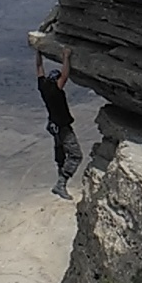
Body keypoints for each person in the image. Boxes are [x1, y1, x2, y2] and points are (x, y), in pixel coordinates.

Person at [35, 45, 82, 200]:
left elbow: (39, 67)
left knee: (60, 155)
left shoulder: (43, 87)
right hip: (63, 128)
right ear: (57, 81)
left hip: (53, 126)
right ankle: (61, 184)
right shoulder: (56, 90)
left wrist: (38, 53)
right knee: (75, 155)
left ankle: (60, 184)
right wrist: (66, 57)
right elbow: (65, 75)